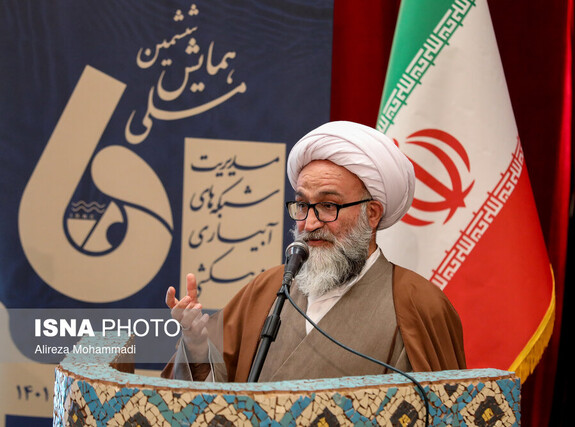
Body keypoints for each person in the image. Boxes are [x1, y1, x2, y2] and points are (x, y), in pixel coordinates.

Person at [162, 121, 466, 382]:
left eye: (328, 205)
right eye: (303, 205)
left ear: (372, 213)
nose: (309, 223)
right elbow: (207, 400)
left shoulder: (419, 305)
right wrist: (197, 344)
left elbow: (444, 410)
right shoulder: (267, 289)